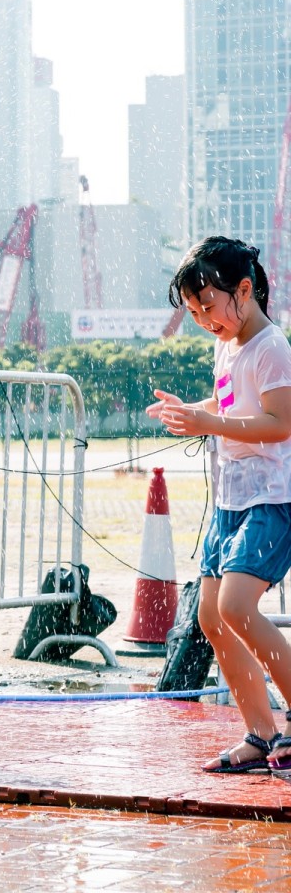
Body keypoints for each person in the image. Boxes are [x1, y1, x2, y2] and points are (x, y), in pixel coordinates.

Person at [148, 236, 291, 774]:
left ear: (245, 290)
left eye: (208, 305)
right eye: (194, 312)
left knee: (235, 607)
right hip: (232, 500)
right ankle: (260, 732)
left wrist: (208, 422)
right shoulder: (228, 345)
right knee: (211, 615)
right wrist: (193, 410)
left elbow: (281, 423)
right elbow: (233, 404)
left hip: (272, 499)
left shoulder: (271, 347)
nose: (205, 319)